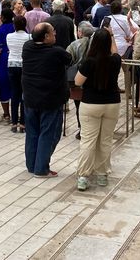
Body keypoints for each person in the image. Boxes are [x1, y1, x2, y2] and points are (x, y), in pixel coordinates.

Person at [73, 23, 121, 191]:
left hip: (91, 103)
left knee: (88, 141)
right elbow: (115, 52)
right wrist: (112, 36)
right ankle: (102, 174)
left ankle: (83, 176)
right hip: (112, 103)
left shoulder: (89, 61)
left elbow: (78, 82)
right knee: (106, 140)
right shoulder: (115, 60)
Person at [22, 23, 72, 177]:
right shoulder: (56, 52)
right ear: (46, 37)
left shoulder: (28, 47)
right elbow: (69, 58)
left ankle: (32, 165)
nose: (55, 34)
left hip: (30, 98)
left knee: (32, 132)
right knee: (48, 133)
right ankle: (41, 168)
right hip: (50, 100)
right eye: (53, 32)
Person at [66, 21, 94, 139]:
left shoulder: (74, 45)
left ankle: (81, 129)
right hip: (92, 80)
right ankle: (90, 128)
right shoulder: (95, 44)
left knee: (79, 105)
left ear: (80, 32)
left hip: (77, 79)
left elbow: (67, 60)